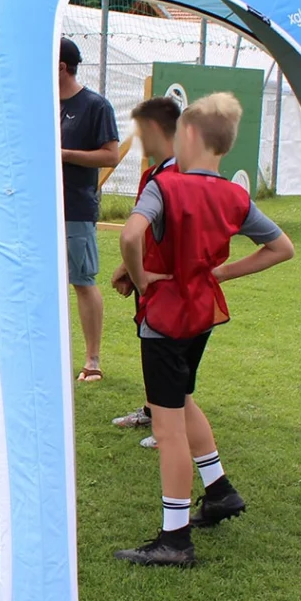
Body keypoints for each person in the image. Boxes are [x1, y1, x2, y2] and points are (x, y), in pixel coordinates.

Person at [114, 93, 294, 567]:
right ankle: (219, 490)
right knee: (182, 397)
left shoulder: (165, 185)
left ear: (188, 136)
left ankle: (175, 540)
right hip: (202, 315)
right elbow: (281, 248)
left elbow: (130, 235)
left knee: (167, 424)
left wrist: (138, 276)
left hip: (165, 318)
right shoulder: (235, 196)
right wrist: (222, 274)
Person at [110, 96, 181, 445]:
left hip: (170, 281)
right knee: (149, 343)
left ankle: (169, 426)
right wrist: (129, 269)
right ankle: (155, 411)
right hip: (148, 279)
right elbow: (142, 231)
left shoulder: (181, 176)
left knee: (169, 353)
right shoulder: (151, 175)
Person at [59, 36, 120, 382]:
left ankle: (92, 361)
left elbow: (110, 155)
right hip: (40, 211)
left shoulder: (96, 106)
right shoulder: (43, 104)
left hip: (77, 209)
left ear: (62, 67)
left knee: (81, 281)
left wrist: (65, 154)